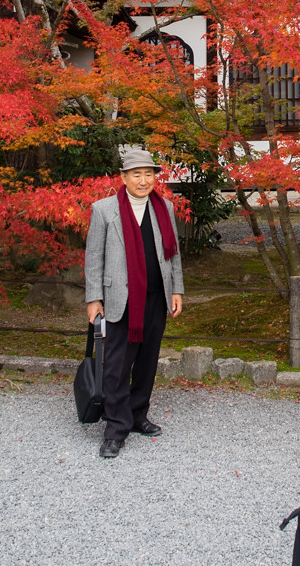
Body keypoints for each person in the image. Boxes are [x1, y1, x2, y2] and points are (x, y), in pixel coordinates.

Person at [85, 148, 184, 458]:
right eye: (137, 174)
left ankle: (138, 414)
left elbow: (173, 255)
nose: (143, 180)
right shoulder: (104, 210)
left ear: (155, 177)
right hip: (121, 298)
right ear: (124, 177)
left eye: (148, 174)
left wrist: (177, 290)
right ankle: (115, 429)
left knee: (147, 360)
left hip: (156, 296)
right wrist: (94, 298)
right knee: (117, 365)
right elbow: (93, 257)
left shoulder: (164, 207)